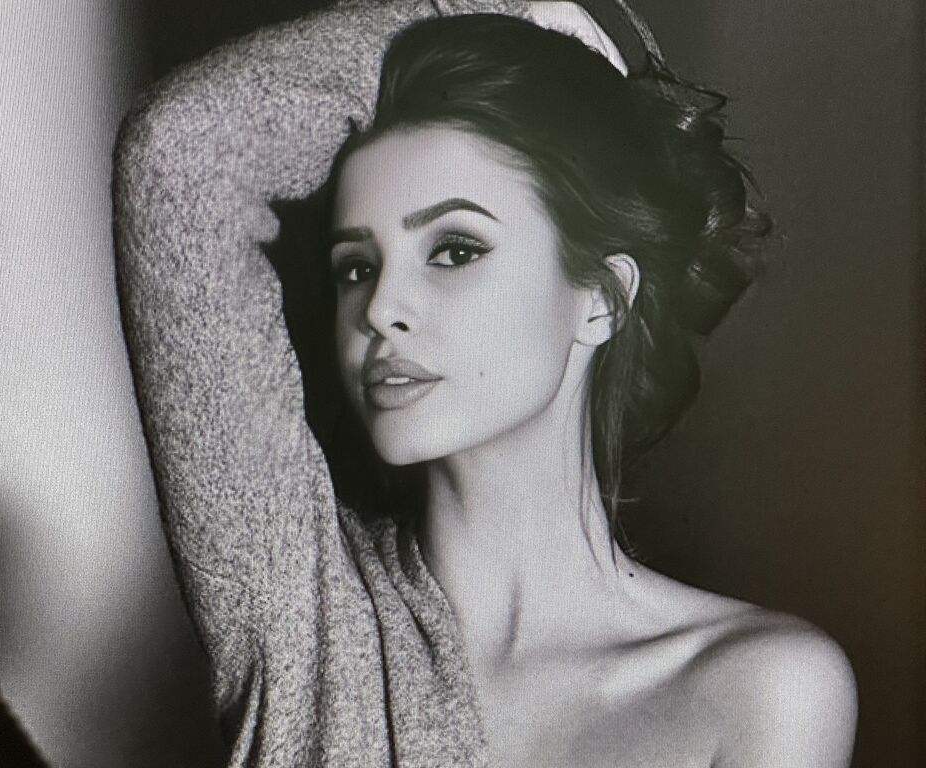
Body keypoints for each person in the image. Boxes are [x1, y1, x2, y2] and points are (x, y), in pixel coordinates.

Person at [113, 0, 858, 765]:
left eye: (455, 250)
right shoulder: (302, 611)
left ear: (601, 300)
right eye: (357, 267)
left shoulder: (760, 688)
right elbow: (179, 151)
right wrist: (517, 9)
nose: (381, 308)